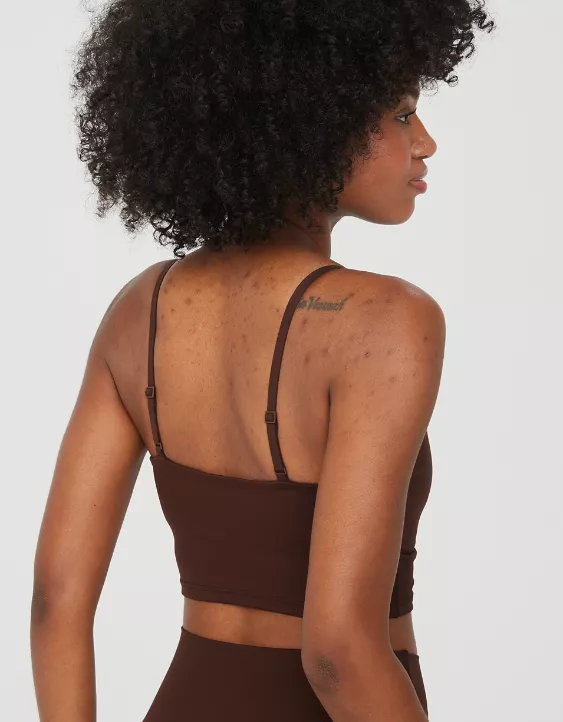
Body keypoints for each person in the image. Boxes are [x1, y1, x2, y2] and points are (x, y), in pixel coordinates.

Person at [31, 1, 496, 720]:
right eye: (402, 114)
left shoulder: (139, 312)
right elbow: (337, 655)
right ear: (315, 121)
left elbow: (55, 602)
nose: (425, 141)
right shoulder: (385, 320)